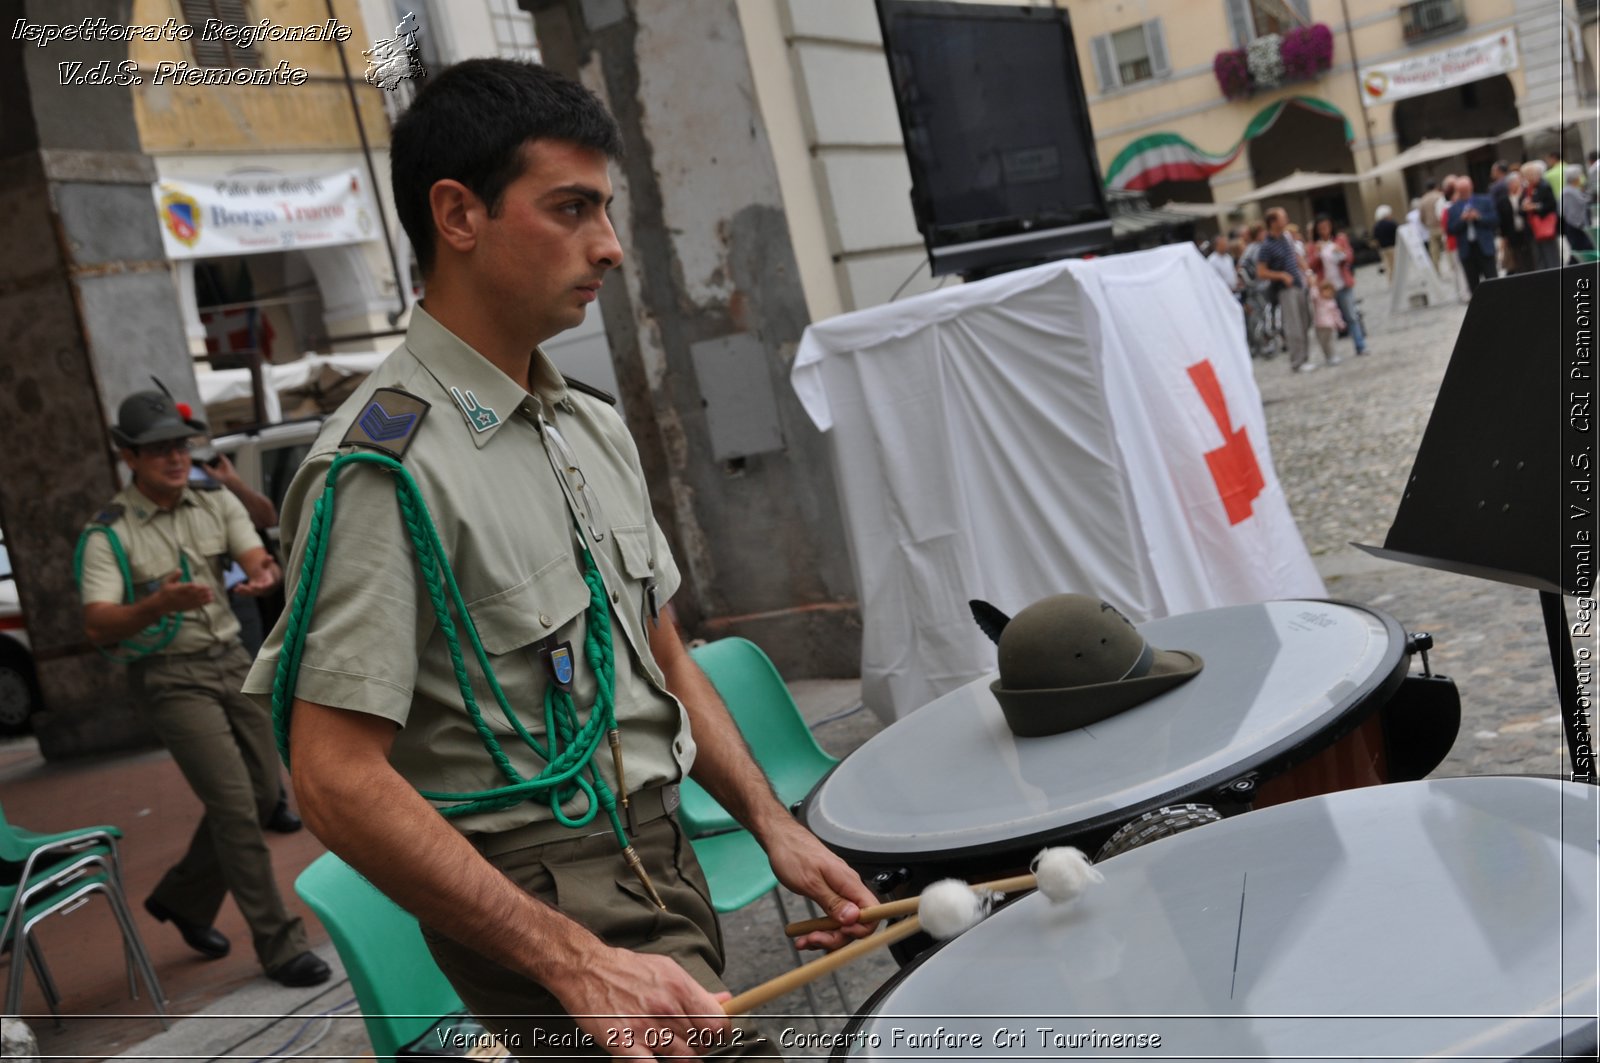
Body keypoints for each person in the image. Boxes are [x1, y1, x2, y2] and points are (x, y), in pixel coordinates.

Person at [243, 59, 877, 1058]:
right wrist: (569, 957)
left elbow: (664, 655)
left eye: (607, 208)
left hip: (661, 852)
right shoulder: (383, 469)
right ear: (458, 214)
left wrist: (772, 820)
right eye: (571, 208)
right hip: (544, 892)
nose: (612, 247)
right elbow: (331, 778)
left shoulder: (584, 424)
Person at [77, 390, 328, 988]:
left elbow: (255, 556)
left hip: (231, 660)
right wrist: (155, 604)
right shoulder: (108, 532)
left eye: (179, 446)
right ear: (129, 458)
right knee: (237, 807)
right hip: (169, 674)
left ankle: (184, 900)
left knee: (265, 794)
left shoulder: (210, 499)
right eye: (158, 450)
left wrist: (262, 575)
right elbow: (98, 621)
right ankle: (280, 944)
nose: (173, 458)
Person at [1254, 207, 1313, 373]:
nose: (1286, 219)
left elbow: (1296, 256)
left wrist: (1307, 272)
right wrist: (1281, 275)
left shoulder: (1286, 237)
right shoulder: (1266, 246)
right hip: (1285, 289)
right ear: (1273, 222)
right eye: (1283, 217)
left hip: (1298, 284)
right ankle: (1297, 361)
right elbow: (1261, 271)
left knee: (1305, 320)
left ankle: (1305, 357)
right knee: (1293, 325)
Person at [1308, 216, 1369, 356]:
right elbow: (1311, 265)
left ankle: (1360, 345)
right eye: (1321, 228)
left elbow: (1349, 257)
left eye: (1326, 226)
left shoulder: (1340, 239)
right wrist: (1317, 254)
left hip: (1342, 283)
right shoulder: (1314, 245)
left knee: (1351, 316)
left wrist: (1340, 251)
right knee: (1328, 321)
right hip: (1326, 288)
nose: (1324, 230)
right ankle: (1332, 353)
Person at [1445, 176, 1498, 294]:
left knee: (1493, 281)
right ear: (1458, 190)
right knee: (1473, 285)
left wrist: (1478, 217)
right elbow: (1450, 229)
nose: (1464, 192)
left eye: (1466, 189)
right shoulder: (1453, 208)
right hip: (1467, 251)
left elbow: (1495, 220)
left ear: (1471, 187)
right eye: (1461, 190)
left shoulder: (1485, 201)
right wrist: (1462, 220)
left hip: (1485, 248)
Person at [1521, 160, 1562, 272]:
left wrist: (1536, 207)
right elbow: (1522, 207)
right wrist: (1524, 207)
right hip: (1533, 228)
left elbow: (1551, 204)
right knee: (1539, 258)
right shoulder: (1527, 189)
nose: (1529, 178)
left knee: (1551, 256)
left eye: (1531, 175)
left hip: (1545, 227)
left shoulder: (1544, 186)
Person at [1561, 166, 1595, 262]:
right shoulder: (1568, 192)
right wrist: (1581, 225)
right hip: (1575, 228)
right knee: (1579, 251)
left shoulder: (1574, 189)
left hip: (1579, 227)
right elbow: (1571, 213)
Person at [1311, 280, 1346, 367]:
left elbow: (1336, 314)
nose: (1327, 293)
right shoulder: (1319, 300)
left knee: (1329, 342)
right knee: (1322, 343)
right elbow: (1313, 295)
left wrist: (1340, 323)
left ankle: (1332, 356)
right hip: (1319, 325)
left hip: (1329, 326)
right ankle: (1328, 356)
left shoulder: (1332, 303)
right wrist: (1313, 285)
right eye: (1325, 291)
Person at [1418, 181, 1444, 267]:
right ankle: (1452, 267)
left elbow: (1421, 217)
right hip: (1442, 225)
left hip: (1431, 228)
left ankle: (1436, 269)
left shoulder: (1423, 199)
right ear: (1435, 186)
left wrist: (1426, 224)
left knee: (1434, 251)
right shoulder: (1440, 196)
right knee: (1448, 248)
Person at [1372, 204, 1397, 283]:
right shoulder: (1391, 224)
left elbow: (1375, 238)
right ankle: (1396, 280)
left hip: (1382, 249)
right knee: (1395, 265)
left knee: (1387, 266)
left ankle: (1390, 281)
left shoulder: (1376, 226)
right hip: (1392, 247)